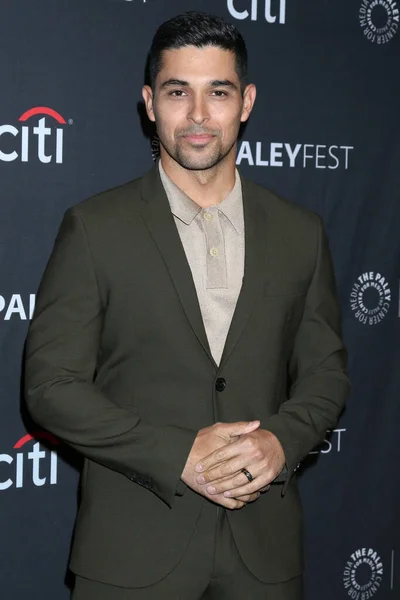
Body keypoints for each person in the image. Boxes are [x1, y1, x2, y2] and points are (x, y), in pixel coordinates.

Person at [24, 11, 350, 600]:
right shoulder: (95, 228)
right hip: (131, 550)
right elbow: (51, 386)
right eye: (179, 92)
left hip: (265, 552)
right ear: (150, 102)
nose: (199, 115)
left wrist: (280, 441)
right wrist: (178, 452)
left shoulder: (302, 233)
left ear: (246, 101)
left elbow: (325, 372)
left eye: (218, 92)